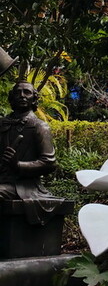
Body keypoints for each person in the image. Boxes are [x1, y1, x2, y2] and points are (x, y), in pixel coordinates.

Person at [0, 82, 63, 225]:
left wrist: (17, 165)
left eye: (27, 92)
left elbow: (49, 163)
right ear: (11, 98)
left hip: (24, 186)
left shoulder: (39, 127)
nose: (22, 95)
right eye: (18, 92)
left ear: (34, 99)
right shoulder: (2, 124)